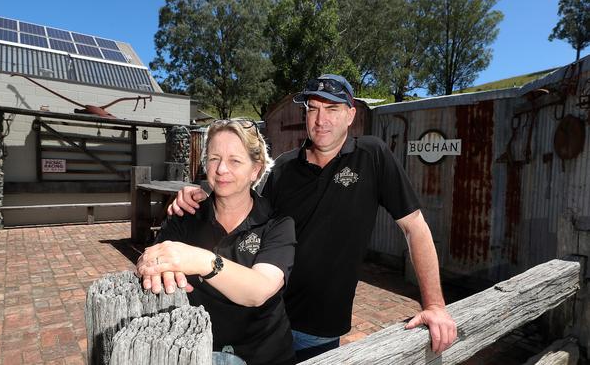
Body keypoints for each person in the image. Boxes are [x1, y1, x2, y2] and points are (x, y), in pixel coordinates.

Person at [168, 74, 457, 361]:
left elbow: (415, 227)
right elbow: (248, 214)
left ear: (350, 115)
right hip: (265, 316)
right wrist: (205, 193)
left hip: (321, 326)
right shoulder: (283, 168)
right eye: (313, 109)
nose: (321, 120)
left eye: (332, 109)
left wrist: (434, 305)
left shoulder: (372, 156)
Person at [136, 120, 296, 365]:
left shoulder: (277, 224)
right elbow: (152, 258)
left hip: (264, 355)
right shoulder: (186, 215)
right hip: (198, 351)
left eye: (235, 160)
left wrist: (200, 260)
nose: (221, 169)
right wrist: (150, 265)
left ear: (256, 169)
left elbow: (259, 289)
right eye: (214, 158)